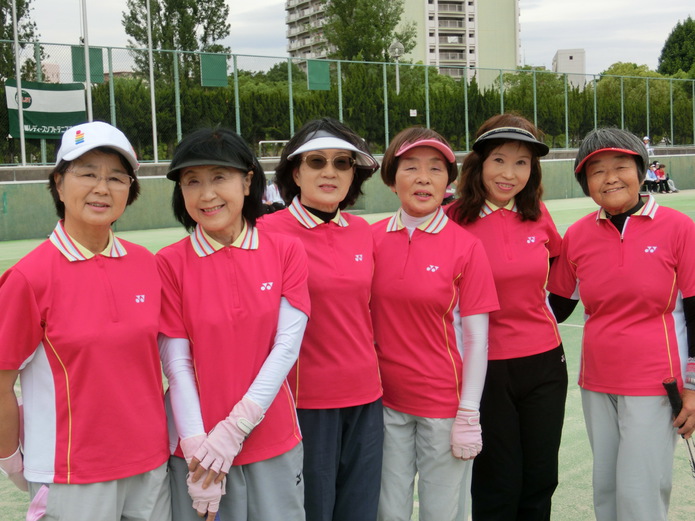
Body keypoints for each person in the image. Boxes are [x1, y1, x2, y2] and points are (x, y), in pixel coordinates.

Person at [0, 121, 170, 520]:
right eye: (87, 173)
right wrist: (10, 459)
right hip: (72, 475)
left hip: (151, 466)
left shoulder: (147, 264)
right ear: (59, 185)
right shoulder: (29, 277)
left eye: (116, 177)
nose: (102, 188)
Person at [157, 127, 310, 521]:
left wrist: (234, 429)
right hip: (196, 450)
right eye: (192, 181)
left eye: (219, 177)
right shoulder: (168, 263)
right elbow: (177, 364)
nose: (206, 194)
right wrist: (198, 448)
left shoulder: (285, 250)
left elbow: (286, 347)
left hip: (272, 439)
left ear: (246, 181)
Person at [547, 127, 695, 521]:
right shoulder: (577, 235)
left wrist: (694, 387)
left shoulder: (679, 228)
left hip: (656, 382)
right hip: (596, 381)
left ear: (640, 170)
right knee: (607, 488)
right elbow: (554, 308)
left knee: (640, 490)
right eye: (596, 171)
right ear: (586, 183)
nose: (610, 178)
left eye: (620, 166)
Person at [371, 127, 499, 521]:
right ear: (392, 179)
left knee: (443, 513)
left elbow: (476, 339)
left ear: (449, 182)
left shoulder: (466, 247)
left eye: (435, 169)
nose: (423, 178)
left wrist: (469, 412)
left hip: (444, 408)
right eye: (410, 167)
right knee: (387, 511)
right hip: (382, 404)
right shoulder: (369, 240)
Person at [259, 117, 384, 521]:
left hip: (367, 398)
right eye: (316, 161)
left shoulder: (363, 231)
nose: (330, 171)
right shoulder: (265, 232)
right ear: (295, 173)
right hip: (304, 403)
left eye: (342, 162)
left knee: (360, 511)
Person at [447, 114, 567, 521]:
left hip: (545, 364)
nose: (509, 174)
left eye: (521, 163)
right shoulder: (452, 220)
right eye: (499, 160)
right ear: (479, 163)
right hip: (484, 369)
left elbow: (558, 264)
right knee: (497, 482)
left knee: (540, 478)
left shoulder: (538, 214)